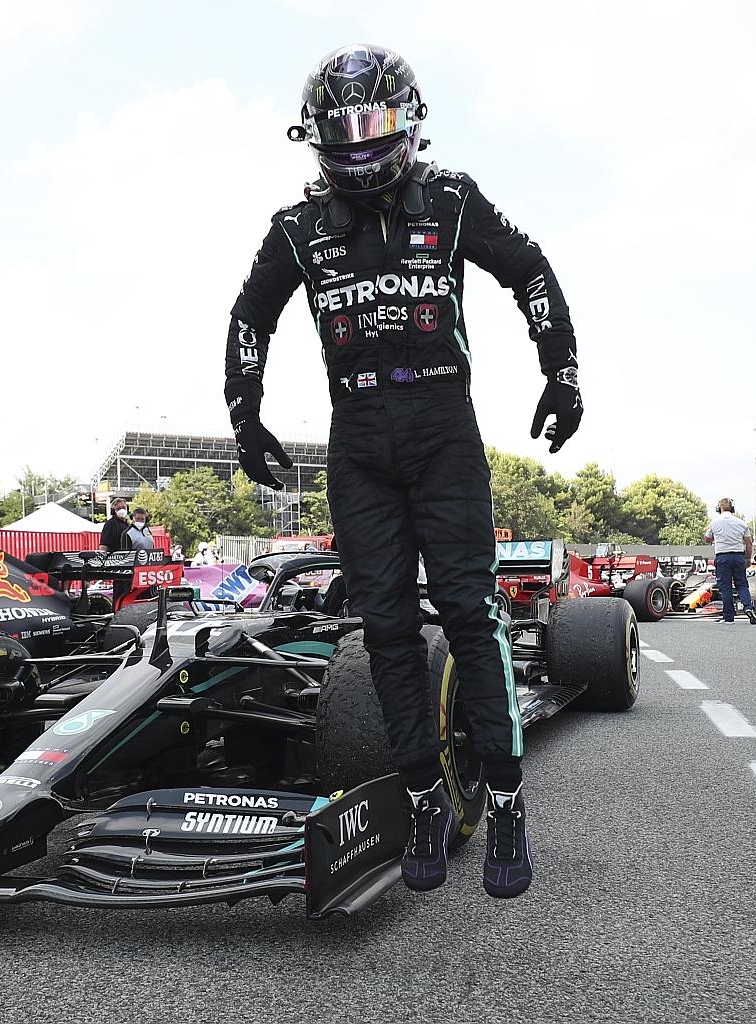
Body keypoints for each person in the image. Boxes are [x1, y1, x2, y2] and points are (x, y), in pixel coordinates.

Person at [224, 44, 583, 899]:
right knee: (383, 627)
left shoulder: (452, 200)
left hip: (442, 426)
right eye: (341, 127)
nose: (358, 141)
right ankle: (423, 795)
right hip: (357, 440)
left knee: (470, 613)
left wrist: (561, 370)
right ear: (315, 135)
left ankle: (506, 802)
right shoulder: (297, 227)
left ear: (410, 123)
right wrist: (244, 412)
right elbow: (249, 316)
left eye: (374, 123)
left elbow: (529, 269)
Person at [706, 498, 756, 625]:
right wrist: (748, 558)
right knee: (742, 584)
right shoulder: (741, 523)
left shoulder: (714, 523)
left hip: (722, 557)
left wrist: (716, 537)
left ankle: (729, 617)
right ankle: (748, 608)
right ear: (732, 508)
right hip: (739, 556)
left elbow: (707, 539)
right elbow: (749, 543)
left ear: (719, 509)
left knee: (725, 587)